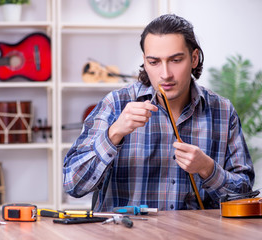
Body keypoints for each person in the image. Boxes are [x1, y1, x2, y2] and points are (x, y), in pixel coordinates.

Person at [63, 14, 255, 211]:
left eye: (176, 60)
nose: (165, 74)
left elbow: (244, 197)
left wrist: (207, 168)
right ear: (145, 63)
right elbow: (72, 185)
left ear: (194, 58)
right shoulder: (116, 104)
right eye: (154, 62)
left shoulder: (222, 111)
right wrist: (114, 134)